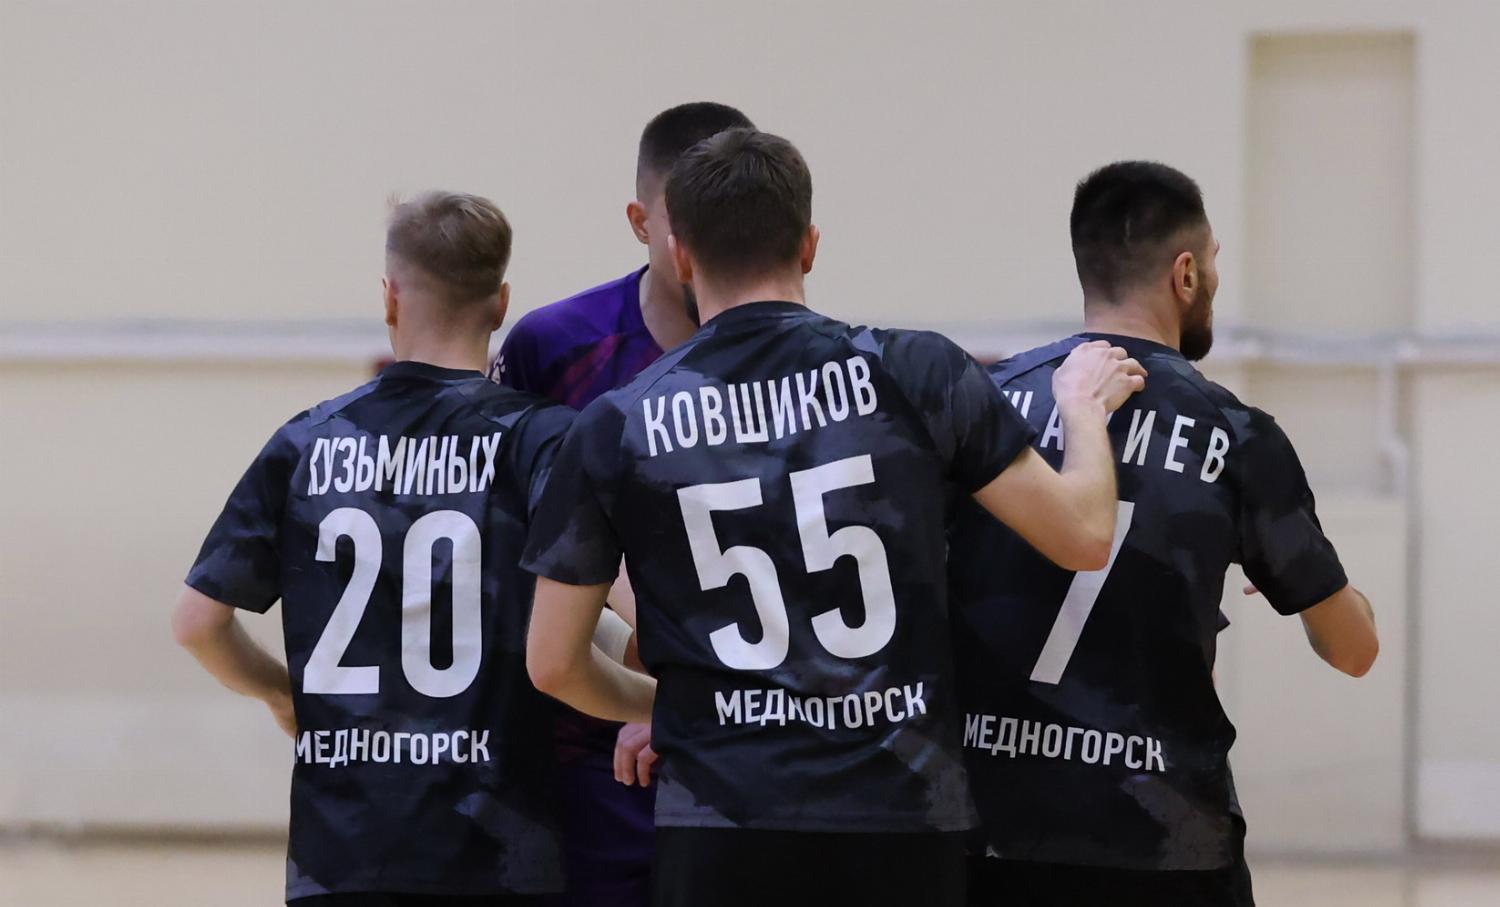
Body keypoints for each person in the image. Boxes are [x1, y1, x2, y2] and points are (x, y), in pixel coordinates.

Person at [520, 129, 1146, 907]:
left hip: (720, 825)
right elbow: (1084, 535)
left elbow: (552, 663)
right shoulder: (915, 371)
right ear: (810, 245)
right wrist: (1082, 408)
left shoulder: (617, 422)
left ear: (680, 255)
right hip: (898, 815)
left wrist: (672, 709)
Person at [949, 161, 1380, 907]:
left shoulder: (983, 403)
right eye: (1212, 263)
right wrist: (1322, 581)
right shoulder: (1236, 434)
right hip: (1165, 838)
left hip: (993, 831)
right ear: (1185, 274)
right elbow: (1353, 650)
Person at [173, 191, 611, 905]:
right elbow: (618, 594)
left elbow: (197, 623)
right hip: (494, 853)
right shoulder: (541, 439)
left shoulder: (307, 441)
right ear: (501, 304)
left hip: (341, 854)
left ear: (389, 299)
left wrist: (280, 692)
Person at [491, 101, 754, 907]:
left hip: (747, 747)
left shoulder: (790, 353)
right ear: (641, 222)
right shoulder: (552, 347)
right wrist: (637, 651)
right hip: (589, 751)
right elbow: (516, 537)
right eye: (688, 221)